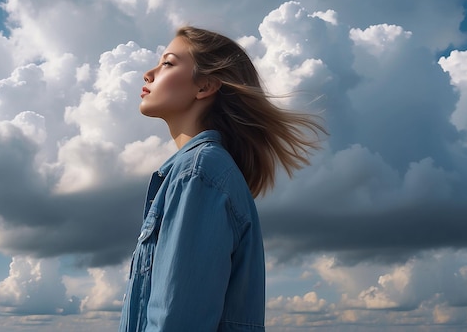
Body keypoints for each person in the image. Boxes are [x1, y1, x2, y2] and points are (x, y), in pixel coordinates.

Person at [119, 26, 324, 332]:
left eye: (168, 63)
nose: (148, 74)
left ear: (205, 87)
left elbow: (176, 322)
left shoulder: (198, 173)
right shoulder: (201, 170)